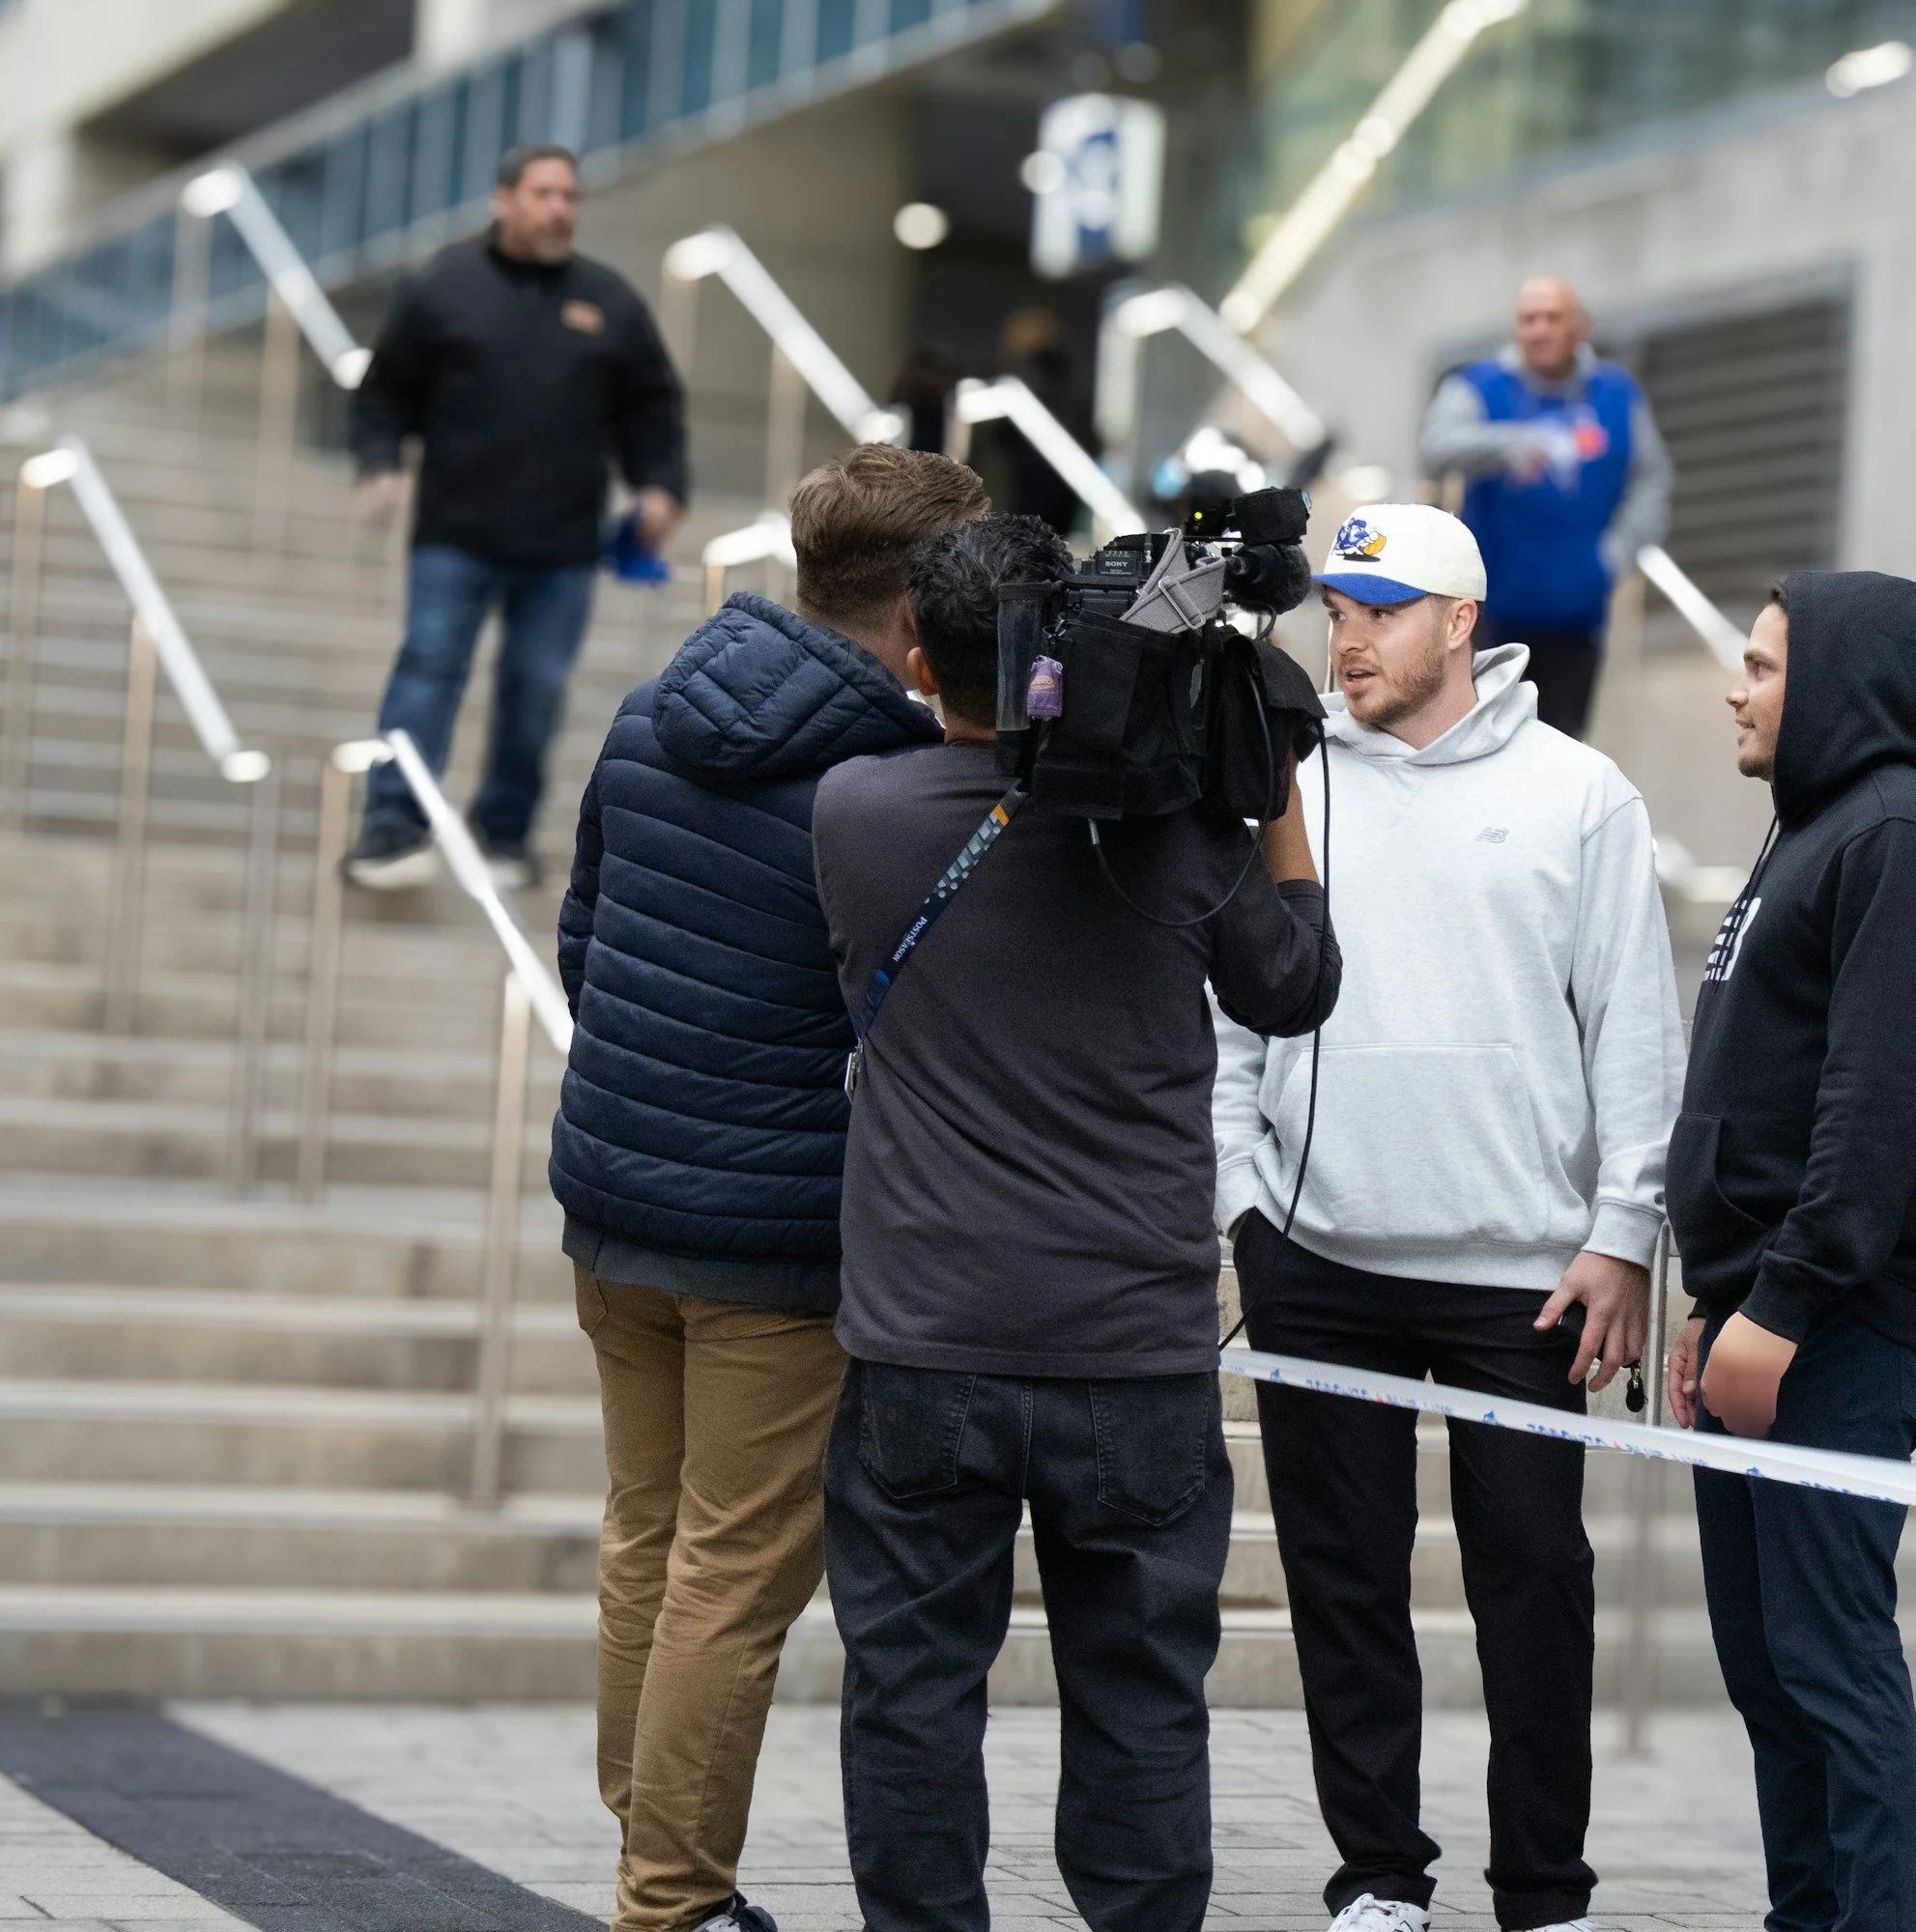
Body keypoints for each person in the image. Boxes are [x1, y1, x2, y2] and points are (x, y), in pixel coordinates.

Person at [811, 515, 1343, 1932]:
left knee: (913, 1692)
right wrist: (1264, 786)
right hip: (1135, 1353)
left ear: (918, 655)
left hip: (924, 1346)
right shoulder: (1178, 835)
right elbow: (1296, 986)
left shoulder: (854, 812)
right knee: (1142, 1700)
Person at [1214, 502, 1686, 1932]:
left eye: (1380, 610)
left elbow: (1635, 1035)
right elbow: (1231, 1011)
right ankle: (1378, 1878)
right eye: (1336, 613)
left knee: (1537, 1588)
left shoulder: (1580, 794)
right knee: (1342, 1587)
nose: (1346, 637)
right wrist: (1240, 1200)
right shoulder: (1289, 788)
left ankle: (1543, 1891)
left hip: (1519, 1275)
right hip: (1320, 1256)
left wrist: (1622, 1234)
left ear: (1461, 622)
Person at [550, 445, 988, 1932]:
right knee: (731, 1581)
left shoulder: (650, 710)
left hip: (615, 1205)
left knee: (647, 1540)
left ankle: (650, 1855)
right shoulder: (888, 785)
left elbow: (584, 937)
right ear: (925, 613)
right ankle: (669, 1902)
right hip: (771, 1240)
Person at [1663, 571, 1916, 1932]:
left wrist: (1782, 1306)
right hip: (1766, 1310)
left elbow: (1874, 1113)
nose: (1735, 688)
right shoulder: (1814, 830)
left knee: (1829, 1661)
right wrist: (1720, 1296)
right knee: (1768, 1668)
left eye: (1764, 665)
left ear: (1840, 686)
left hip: (1838, 1328)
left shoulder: (1899, 840)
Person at [346, 142, 690, 891]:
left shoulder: (609, 300)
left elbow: (653, 405)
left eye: (569, 196)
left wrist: (660, 485)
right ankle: (393, 826)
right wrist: (378, 464)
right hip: (454, 533)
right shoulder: (443, 285)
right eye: (544, 194)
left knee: (535, 689)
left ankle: (503, 834)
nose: (560, 208)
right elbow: (382, 393)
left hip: (562, 543)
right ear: (504, 200)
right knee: (429, 670)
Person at [1418, 275, 1673, 739]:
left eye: (1552, 318)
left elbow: (1652, 477)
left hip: (1578, 616)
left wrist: (1617, 553)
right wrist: (1511, 444)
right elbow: (1435, 446)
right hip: (1488, 613)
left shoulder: (1618, 396)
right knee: (1480, 743)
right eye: (1527, 319)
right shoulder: (1480, 386)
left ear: (1580, 327)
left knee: (1560, 752)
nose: (1538, 330)